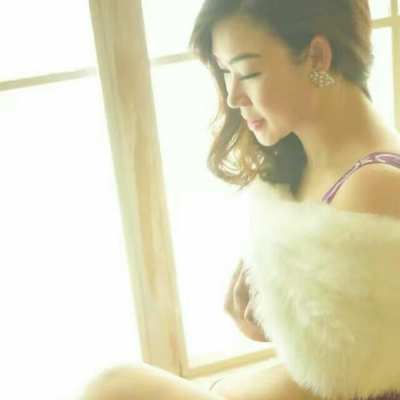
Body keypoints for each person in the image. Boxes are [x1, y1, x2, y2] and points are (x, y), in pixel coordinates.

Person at [82, 0, 400, 399]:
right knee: (114, 385)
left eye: (248, 72)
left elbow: (349, 377)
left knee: (114, 387)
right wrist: (272, 321)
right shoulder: (302, 162)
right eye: (225, 72)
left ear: (317, 56)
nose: (233, 96)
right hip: (287, 386)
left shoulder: (374, 184)